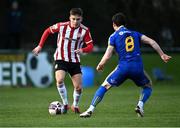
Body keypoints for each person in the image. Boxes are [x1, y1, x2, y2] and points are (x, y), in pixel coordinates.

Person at [80, 12, 171, 118]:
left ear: (114, 24)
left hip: (123, 67)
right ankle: (140, 105)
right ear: (125, 23)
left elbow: (108, 54)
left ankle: (90, 110)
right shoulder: (135, 33)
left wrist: (101, 64)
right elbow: (152, 42)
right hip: (137, 67)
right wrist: (162, 54)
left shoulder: (113, 36)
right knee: (148, 86)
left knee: (104, 86)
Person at [32, 8, 94, 114]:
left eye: (78, 19)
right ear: (70, 18)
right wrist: (40, 46)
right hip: (61, 58)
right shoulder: (62, 26)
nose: (75, 22)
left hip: (74, 60)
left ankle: (75, 105)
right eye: (73, 19)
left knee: (78, 87)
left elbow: (91, 46)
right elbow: (47, 31)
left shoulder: (85, 30)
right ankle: (65, 104)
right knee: (60, 79)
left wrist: (82, 50)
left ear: (81, 19)